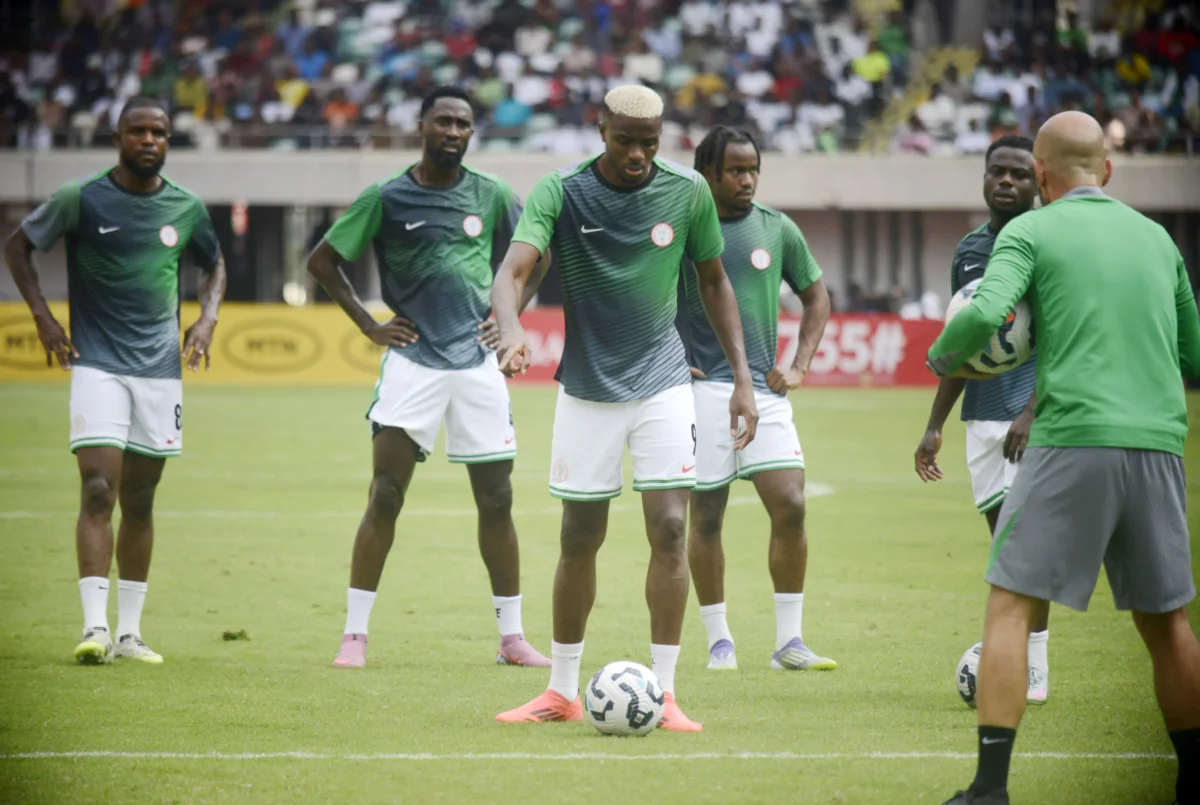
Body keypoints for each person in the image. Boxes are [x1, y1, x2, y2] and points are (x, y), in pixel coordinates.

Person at [928, 111, 1200, 805]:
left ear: (1041, 175)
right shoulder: (1158, 239)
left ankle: (989, 787)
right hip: (1159, 442)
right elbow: (1193, 355)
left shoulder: (1029, 229)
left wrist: (944, 355)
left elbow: (985, 314)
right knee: (1167, 621)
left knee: (1011, 605)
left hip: (1072, 437)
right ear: (1106, 170)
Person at [490, 85, 759, 731]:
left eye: (649, 142)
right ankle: (559, 689)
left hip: (666, 380)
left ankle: (664, 694)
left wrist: (744, 379)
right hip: (587, 384)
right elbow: (514, 270)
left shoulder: (688, 191)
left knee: (670, 527)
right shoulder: (562, 189)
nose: (637, 154)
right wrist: (511, 327)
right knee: (579, 535)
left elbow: (715, 281)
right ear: (600, 127)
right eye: (624, 140)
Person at [308, 86, 551, 670]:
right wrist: (369, 324)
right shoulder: (386, 196)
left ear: (472, 132)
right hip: (412, 362)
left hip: (476, 363)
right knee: (385, 495)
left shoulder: (492, 195)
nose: (453, 131)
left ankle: (512, 639)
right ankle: (355, 635)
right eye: (443, 120)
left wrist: (508, 320)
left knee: (497, 500)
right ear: (421, 124)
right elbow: (322, 261)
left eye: (463, 124)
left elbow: (536, 256)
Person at [3, 96, 226, 665]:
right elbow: (18, 246)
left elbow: (214, 262)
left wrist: (207, 318)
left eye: (159, 133)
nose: (149, 141)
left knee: (142, 498)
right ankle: (95, 628)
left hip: (160, 372)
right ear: (117, 136)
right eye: (138, 131)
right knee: (99, 489)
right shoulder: (82, 198)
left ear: (168, 141)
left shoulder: (186, 207)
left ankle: (130, 633)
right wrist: (44, 317)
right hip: (97, 362)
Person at [679, 125, 835, 673]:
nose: (747, 181)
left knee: (791, 504)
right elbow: (645, 294)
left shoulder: (777, 228)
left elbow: (817, 297)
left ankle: (789, 642)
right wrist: (670, 355)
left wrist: (799, 365)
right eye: (736, 171)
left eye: (753, 171)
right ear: (708, 174)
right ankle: (719, 639)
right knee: (706, 519)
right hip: (699, 390)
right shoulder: (680, 228)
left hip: (765, 391)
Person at [913, 134, 1051, 705]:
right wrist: (934, 424)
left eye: (1020, 174)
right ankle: (1016, 658)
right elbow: (961, 341)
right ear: (985, 177)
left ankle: (1034, 670)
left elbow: (1065, 339)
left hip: (1034, 418)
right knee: (1002, 546)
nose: (1007, 182)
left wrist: (1029, 413)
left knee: (1027, 547)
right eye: (998, 172)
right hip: (982, 419)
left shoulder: (1050, 244)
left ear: (1038, 181)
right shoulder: (969, 249)